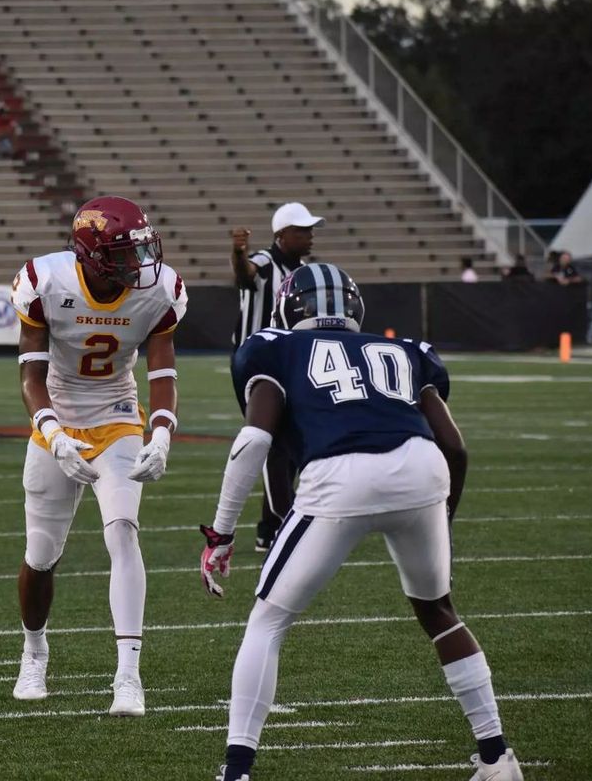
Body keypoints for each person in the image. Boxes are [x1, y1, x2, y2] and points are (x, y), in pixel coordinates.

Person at [200, 263, 523, 781]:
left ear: (289, 308)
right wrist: (443, 515)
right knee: (439, 611)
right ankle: (497, 757)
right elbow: (456, 447)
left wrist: (221, 532)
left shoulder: (272, 347)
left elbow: (256, 443)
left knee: (269, 621)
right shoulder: (405, 350)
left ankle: (238, 771)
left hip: (340, 474)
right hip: (422, 468)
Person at [8, 195, 188, 718]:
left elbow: (162, 373)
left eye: (139, 251)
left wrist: (161, 433)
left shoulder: (159, 291)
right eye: (123, 253)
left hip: (117, 416)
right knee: (41, 556)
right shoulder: (46, 281)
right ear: (89, 255)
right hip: (57, 419)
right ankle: (34, 652)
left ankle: (128, 676)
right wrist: (54, 433)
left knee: (123, 530)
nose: (138, 264)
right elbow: (30, 375)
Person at [230, 202, 323, 552]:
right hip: (256, 361)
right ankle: (283, 522)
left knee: (291, 443)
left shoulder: (304, 270)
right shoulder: (267, 262)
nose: (310, 236)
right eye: (303, 231)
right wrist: (237, 253)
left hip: (290, 359)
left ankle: (270, 527)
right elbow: (244, 275)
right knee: (272, 442)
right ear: (282, 235)